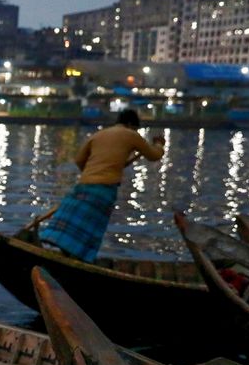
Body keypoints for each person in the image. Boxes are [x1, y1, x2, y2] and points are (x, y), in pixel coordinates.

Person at [39, 108, 165, 262]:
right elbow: (154, 156)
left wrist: (92, 172)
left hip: (84, 184)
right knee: (91, 228)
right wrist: (159, 144)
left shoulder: (98, 135)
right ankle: (80, 258)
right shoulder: (132, 135)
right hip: (105, 189)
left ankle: (58, 246)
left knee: (72, 222)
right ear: (131, 124)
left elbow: (79, 160)